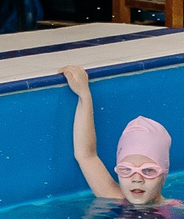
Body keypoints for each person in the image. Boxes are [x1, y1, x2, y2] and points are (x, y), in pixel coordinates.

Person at [63, 64, 172, 209]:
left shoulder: (173, 211)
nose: (137, 179)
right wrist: (84, 95)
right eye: (126, 170)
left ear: (163, 177)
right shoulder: (113, 196)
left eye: (148, 171)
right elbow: (86, 155)